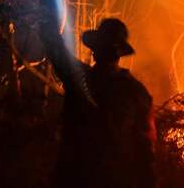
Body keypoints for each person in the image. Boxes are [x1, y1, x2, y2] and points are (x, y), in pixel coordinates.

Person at [41, 18, 155, 188]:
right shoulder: (138, 93)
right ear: (119, 54)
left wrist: (44, 16)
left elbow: (55, 48)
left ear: (95, 50)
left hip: (74, 179)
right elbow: (146, 152)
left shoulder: (79, 79)